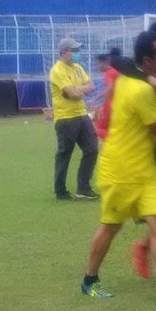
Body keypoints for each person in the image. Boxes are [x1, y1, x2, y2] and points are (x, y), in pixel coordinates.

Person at [80, 31, 156, 302]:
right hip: (121, 170)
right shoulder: (142, 89)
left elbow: (123, 62)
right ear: (147, 59)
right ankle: (89, 279)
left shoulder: (131, 77)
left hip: (144, 171)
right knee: (111, 225)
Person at [49, 37, 99, 200]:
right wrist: (78, 91)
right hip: (65, 118)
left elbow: (91, 86)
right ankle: (60, 190)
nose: (77, 53)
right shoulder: (57, 70)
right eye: (74, 50)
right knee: (64, 154)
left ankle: (83, 188)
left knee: (92, 149)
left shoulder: (78, 68)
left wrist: (77, 90)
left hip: (82, 114)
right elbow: (74, 94)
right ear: (64, 52)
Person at [93, 48, 121, 141]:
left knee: (99, 129)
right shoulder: (115, 71)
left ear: (104, 62)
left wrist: (104, 106)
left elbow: (109, 88)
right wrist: (96, 98)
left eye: (98, 63)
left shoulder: (109, 73)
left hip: (111, 106)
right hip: (118, 105)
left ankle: (113, 143)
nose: (97, 66)